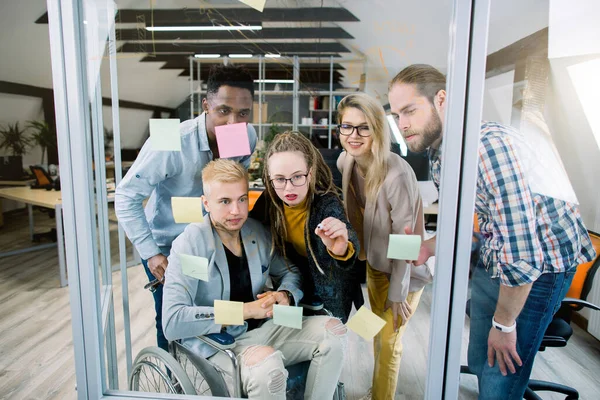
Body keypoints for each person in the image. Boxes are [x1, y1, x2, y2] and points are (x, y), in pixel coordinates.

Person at [388, 64, 596, 400]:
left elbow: (523, 252)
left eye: (410, 110)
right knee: (479, 356)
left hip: (539, 268)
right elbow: (464, 216)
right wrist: (428, 246)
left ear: (442, 100)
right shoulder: (442, 154)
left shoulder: (486, 149)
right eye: (397, 115)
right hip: (496, 254)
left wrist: (505, 325)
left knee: (500, 375)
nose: (402, 124)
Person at [162, 159, 347, 399]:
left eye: (242, 199)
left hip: (269, 326)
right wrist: (246, 310)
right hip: (220, 341)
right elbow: (173, 321)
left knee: (335, 331)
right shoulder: (190, 244)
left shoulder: (256, 231)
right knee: (268, 367)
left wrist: (286, 294)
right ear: (206, 203)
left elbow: (290, 272)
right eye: (225, 201)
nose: (236, 211)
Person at [115, 64, 258, 351]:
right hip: (166, 245)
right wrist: (151, 254)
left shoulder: (244, 135)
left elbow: (233, 187)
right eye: (223, 111)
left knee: (208, 308)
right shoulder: (170, 139)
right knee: (172, 319)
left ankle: (212, 373)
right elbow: (126, 196)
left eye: (243, 113)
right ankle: (171, 386)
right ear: (206, 105)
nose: (233, 122)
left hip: (209, 241)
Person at [336, 92, 432, 400]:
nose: (354, 135)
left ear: (378, 129)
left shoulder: (396, 174)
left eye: (363, 127)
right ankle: (379, 391)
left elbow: (405, 241)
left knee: (390, 342)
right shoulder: (346, 161)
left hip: (405, 273)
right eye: (346, 126)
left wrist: (397, 293)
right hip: (377, 264)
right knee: (377, 333)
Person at [250, 131, 363, 323]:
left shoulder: (326, 203)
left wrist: (341, 249)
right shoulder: (268, 202)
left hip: (328, 296)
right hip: (291, 288)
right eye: (279, 179)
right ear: (269, 178)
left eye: (297, 177)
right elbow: (249, 229)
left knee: (328, 344)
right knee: (293, 342)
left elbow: (348, 238)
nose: (288, 188)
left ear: (310, 174)